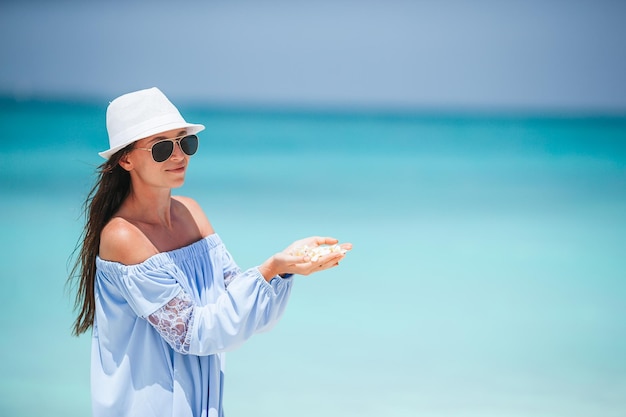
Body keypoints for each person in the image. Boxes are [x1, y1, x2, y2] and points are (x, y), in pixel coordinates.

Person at [68, 87, 351, 417]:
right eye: (162, 148)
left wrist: (284, 267)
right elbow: (194, 333)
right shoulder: (122, 236)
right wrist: (270, 269)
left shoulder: (191, 212)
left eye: (185, 142)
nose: (179, 156)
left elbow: (239, 305)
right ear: (126, 159)